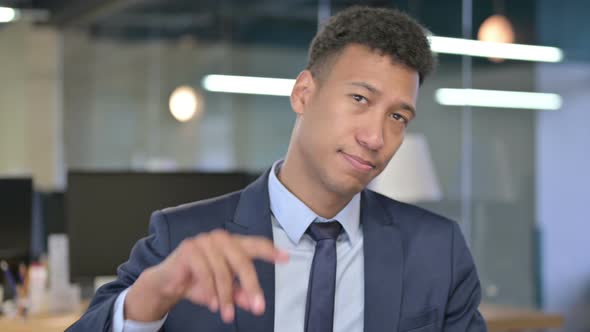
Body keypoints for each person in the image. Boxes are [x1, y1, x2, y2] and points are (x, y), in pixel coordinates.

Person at [67, 6, 487, 332]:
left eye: (398, 117)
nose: (376, 137)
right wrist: (150, 298)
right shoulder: (184, 238)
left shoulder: (437, 250)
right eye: (360, 98)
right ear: (304, 94)